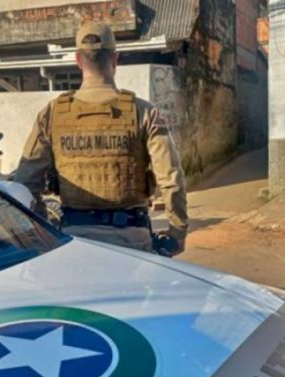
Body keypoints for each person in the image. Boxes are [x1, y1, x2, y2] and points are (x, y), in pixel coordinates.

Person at [14, 22, 188, 256]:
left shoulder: (51, 114)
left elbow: (25, 184)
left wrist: (47, 228)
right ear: (115, 59)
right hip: (132, 240)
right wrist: (177, 231)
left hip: (74, 241)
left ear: (78, 60)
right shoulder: (144, 112)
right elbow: (171, 180)